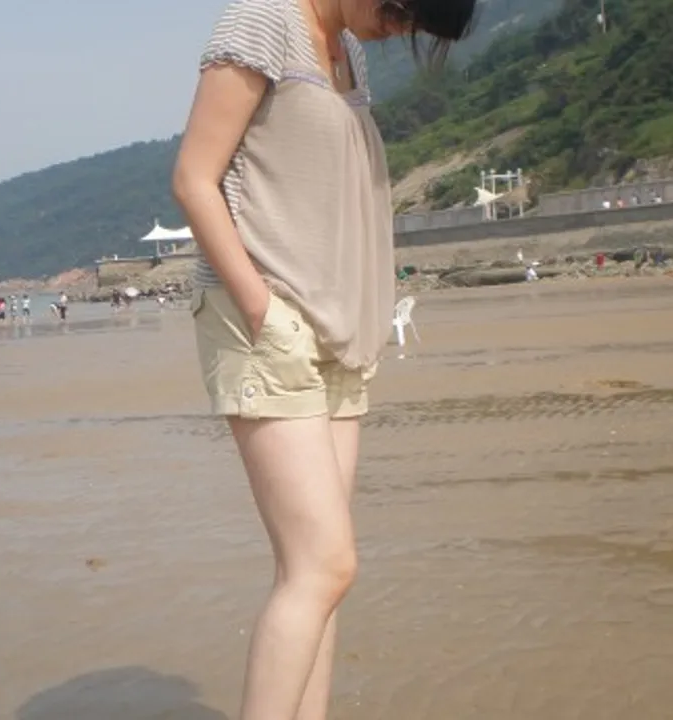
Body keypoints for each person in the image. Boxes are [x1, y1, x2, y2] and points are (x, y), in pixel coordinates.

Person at [171, 1, 478, 718]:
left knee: (318, 576)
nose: (399, 31)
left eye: (413, 28)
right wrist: (261, 309)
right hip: (268, 321)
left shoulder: (348, 49)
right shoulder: (263, 20)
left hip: (338, 327)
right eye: (401, 13)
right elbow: (193, 178)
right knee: (324, 564)